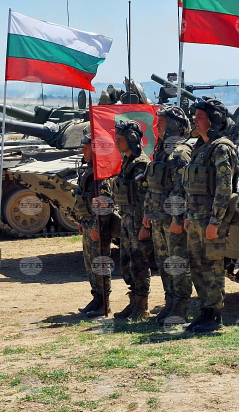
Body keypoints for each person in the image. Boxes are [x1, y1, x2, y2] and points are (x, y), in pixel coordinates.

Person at [182, 97, 237, 334]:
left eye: (200, 117)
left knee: (212, 266)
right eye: (194, 116)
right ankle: (204, 311)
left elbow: (224, 188)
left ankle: (215, 315)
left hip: (209, 220)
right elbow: (190, 186)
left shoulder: (221, 148)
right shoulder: (199, 147)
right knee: (196, 265)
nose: (194, 120)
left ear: (214, 120)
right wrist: (187, 215)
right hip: (195, 218)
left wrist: (215, 221)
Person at [142, 106, 193, 324]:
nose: (157, 126)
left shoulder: (180, 153)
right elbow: (152, 186)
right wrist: (147, 212)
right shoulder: (162, 151)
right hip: (158, 218)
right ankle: (170, 301)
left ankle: (181, 307)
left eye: (161, 123)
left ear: (174, 125)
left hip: (172, 221)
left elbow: (182, 190)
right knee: (164, 263)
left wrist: (177, 219)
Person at [111, 120, 152, 321]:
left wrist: (145, 225)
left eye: (120, 139)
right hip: (127, 219)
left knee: (139, 263)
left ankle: (141, 306)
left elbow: (145, 197)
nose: (116, 142)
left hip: (137, 221)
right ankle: (133, 300)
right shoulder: (127, 162)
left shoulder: (140, 164)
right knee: (126, 263)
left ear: (131, 139)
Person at [74, 134, 114, 318]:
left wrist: (98, 227)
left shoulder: (100, 172)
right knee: (90, 263)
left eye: (86, 147)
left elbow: (105, 202)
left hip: (97, 225)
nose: (83, 150)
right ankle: (96, 297)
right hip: (88, 222)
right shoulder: (89, 170)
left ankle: (104, 303)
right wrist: (81, 220)